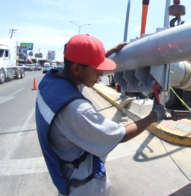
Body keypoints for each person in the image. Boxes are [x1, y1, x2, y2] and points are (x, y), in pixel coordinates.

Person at [35, 34, 166, 196]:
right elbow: (121, 134)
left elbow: (82, 70)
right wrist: (154, 115)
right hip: (84, 187)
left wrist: (107, 53)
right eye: (97, 69)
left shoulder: (50, 81)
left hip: (64, 177)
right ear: (76, 69)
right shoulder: (76, 109)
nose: (101, 75)